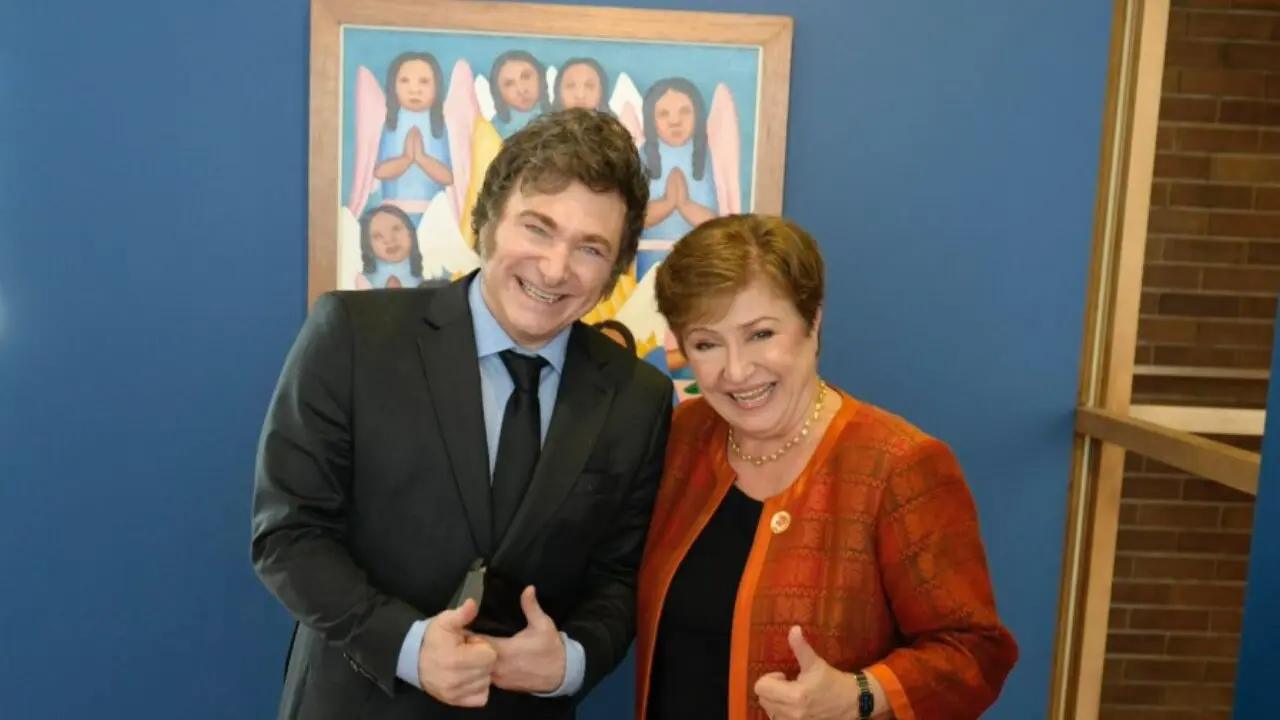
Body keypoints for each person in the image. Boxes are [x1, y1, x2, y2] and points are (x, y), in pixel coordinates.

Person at [250, 108, 675, 720]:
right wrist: (408, 646)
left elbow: (619, 578)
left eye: (590, 247)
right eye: (538, 228)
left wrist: (571, 660)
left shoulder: (639, 397)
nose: (556, 268)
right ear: (489, 220)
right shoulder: (352, 336)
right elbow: (288, 533)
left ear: (614, 269)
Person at [633, 214, 1018, 720]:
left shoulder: (898, 465)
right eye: (707, 343)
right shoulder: (685, 435)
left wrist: (860, 694)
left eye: (760, 334)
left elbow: (975, 653)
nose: (737, 370)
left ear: (812, 323)